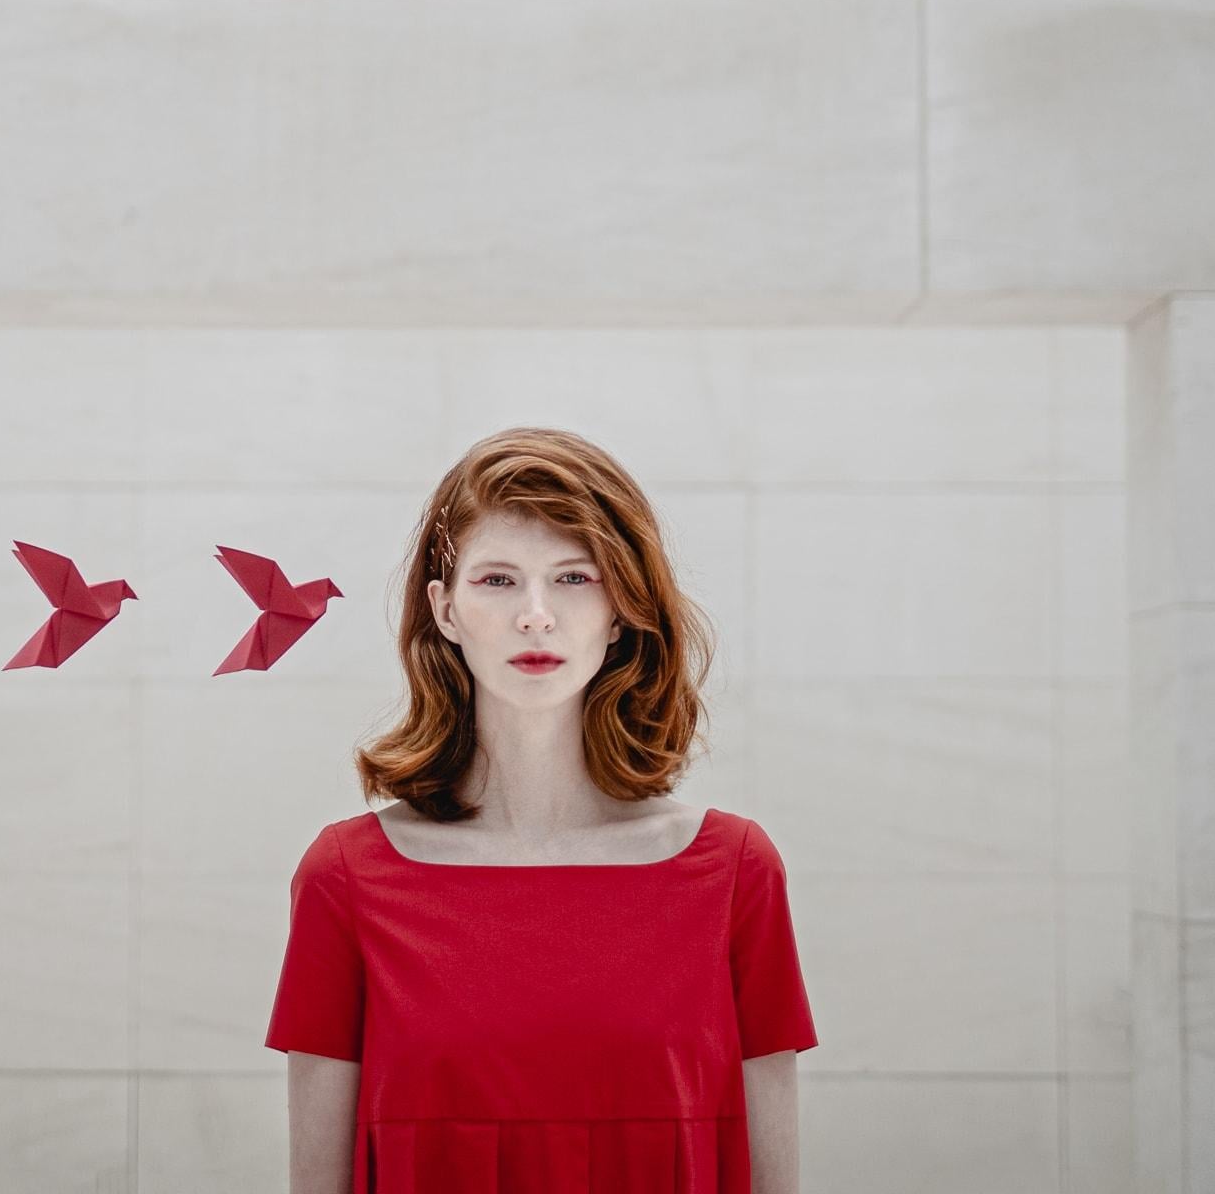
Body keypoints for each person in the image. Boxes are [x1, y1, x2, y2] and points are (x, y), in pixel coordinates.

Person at [264, 426, 817, 1192]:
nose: (535, 615)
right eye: (497, 580)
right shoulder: (347, 878)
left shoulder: (734, 874)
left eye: (574, 578)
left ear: (622, 609)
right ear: (446, 611)